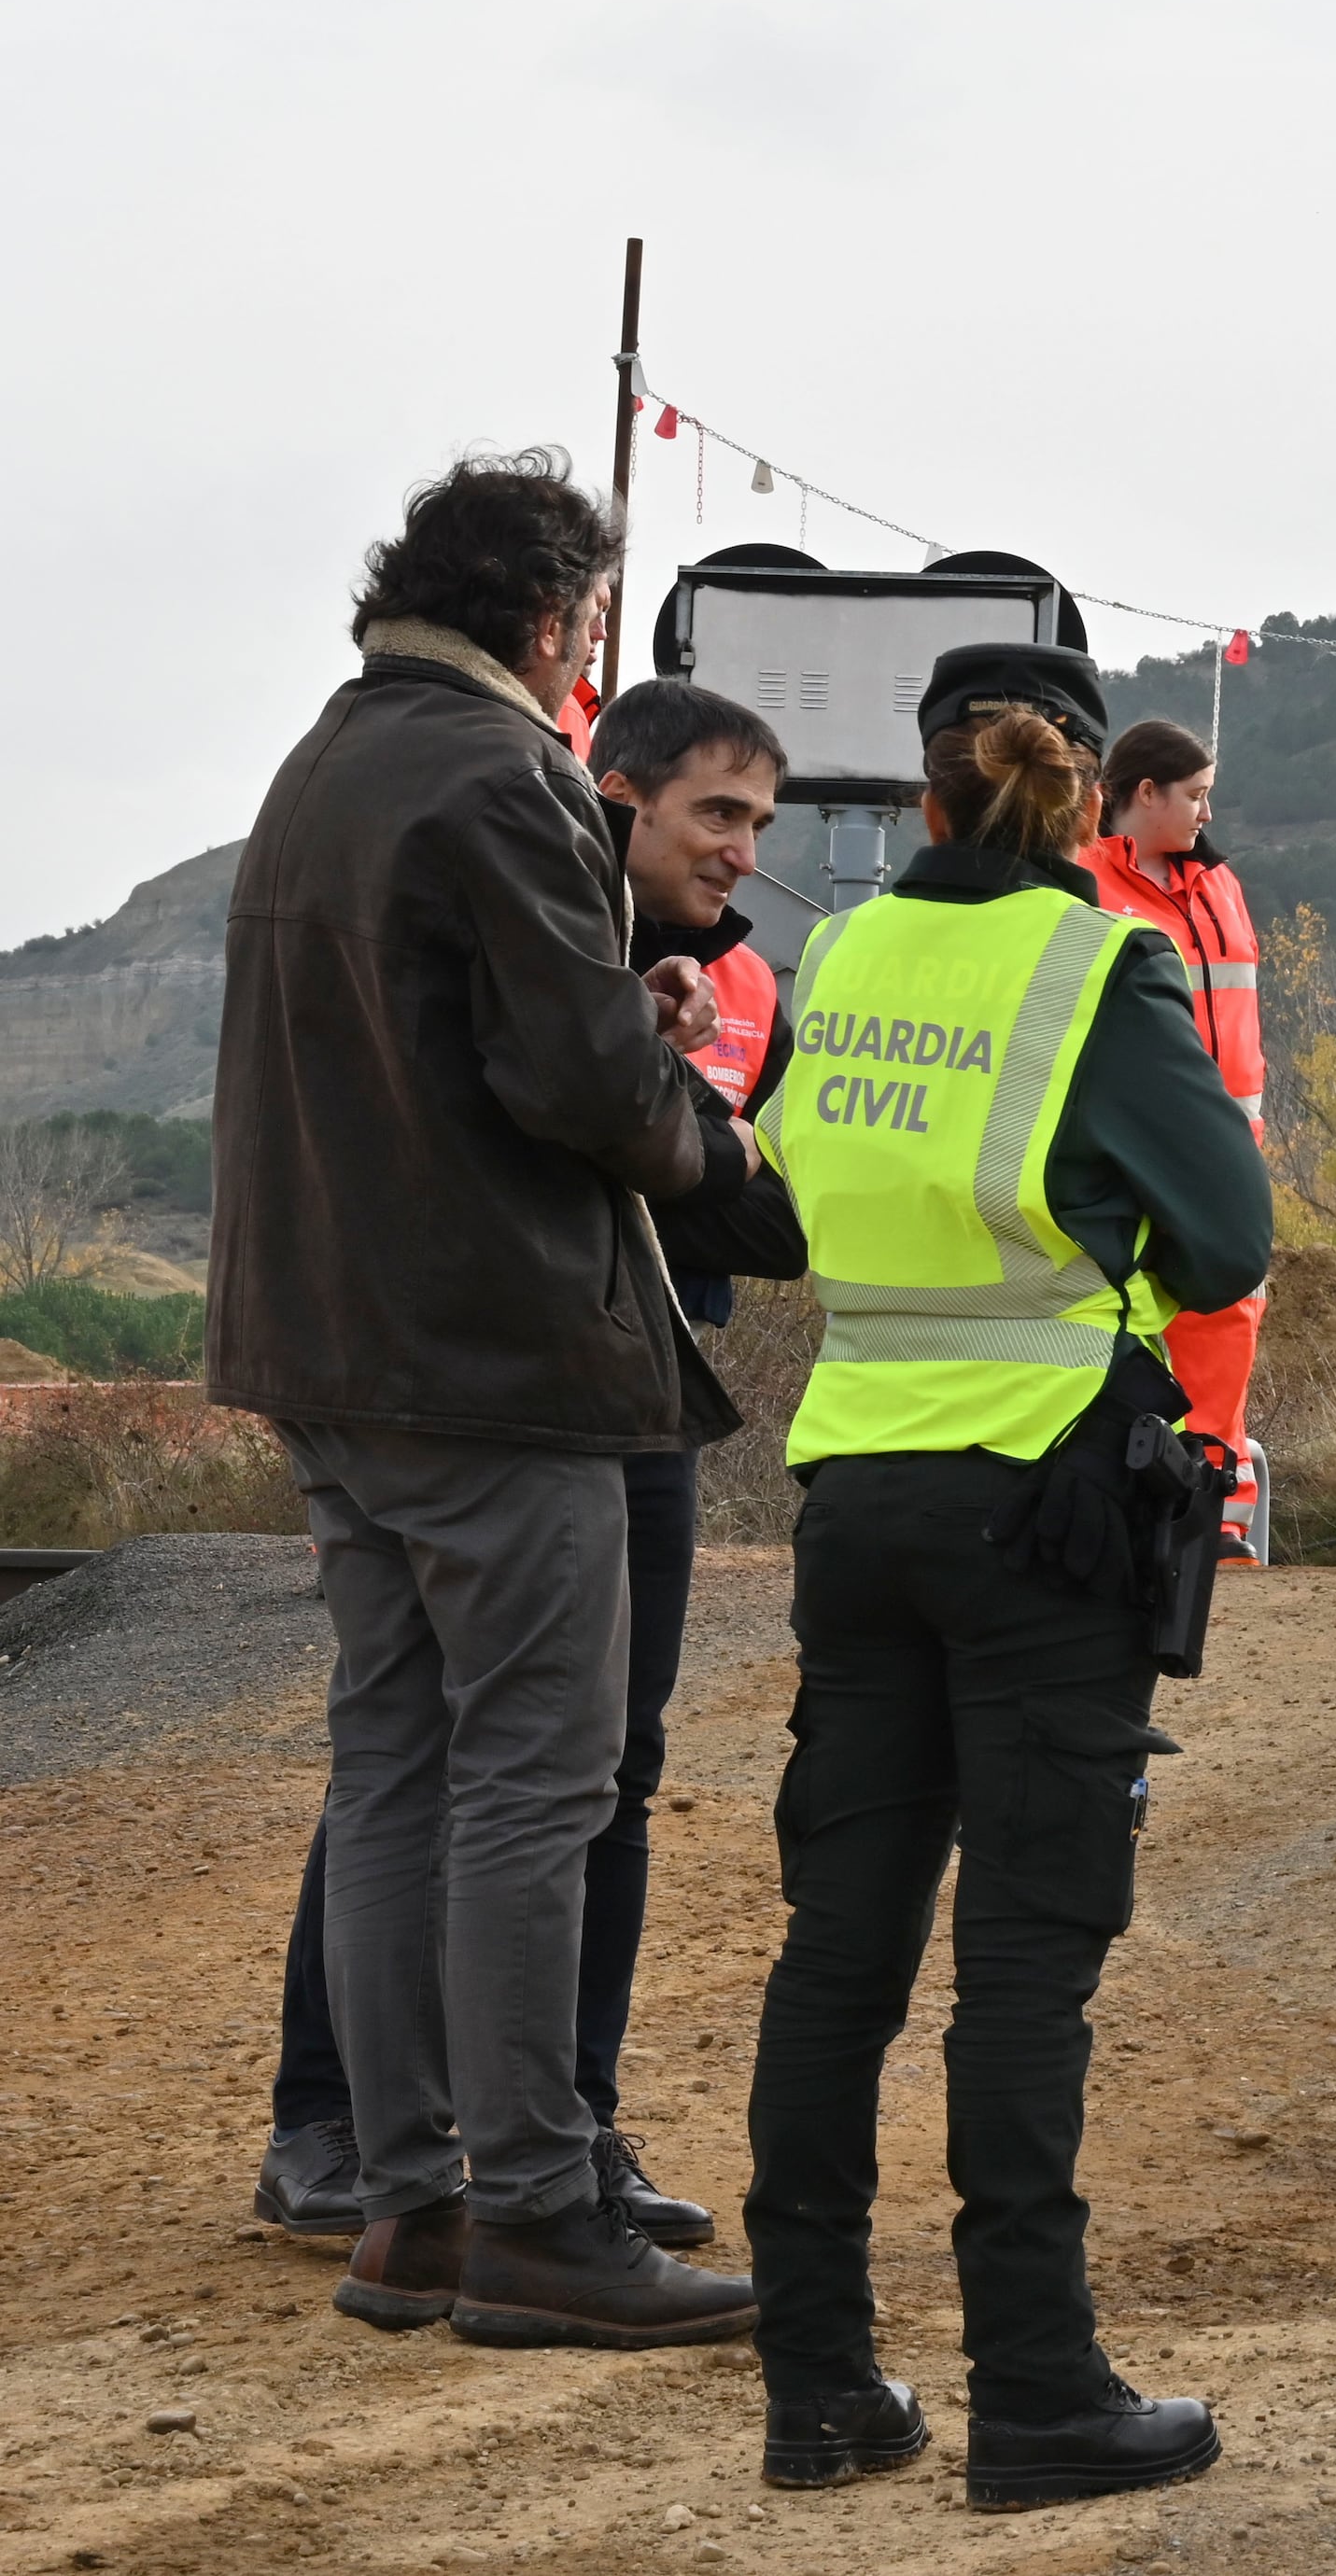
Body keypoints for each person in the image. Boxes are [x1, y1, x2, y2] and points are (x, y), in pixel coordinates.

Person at [209, 450, 763, 2352]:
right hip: (501, 1360)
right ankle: (534, 2209)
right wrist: (693, 1115)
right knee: (539, 1781)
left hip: (334, 1352)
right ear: (544, 620)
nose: (588, 660)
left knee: (395, 1773)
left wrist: (616, 1026)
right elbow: (582, 1095)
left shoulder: (321, 766)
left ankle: (406, 2202)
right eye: (592, 627)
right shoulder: (499, 771)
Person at [743, 641, 1271, 2512]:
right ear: (1069, 785)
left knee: (840, 1954)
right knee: (1025, 1967)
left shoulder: (848, 952)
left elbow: (773, 1188)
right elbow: (1229, 1238)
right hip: (1042, 1505)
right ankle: (1036, 2390)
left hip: (854, 1491)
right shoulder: (1098, 961)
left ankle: (818, 2386)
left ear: (925, 792)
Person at [1082, 718, 1272, 1561]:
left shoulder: (1218, 882)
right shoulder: (1081, 882)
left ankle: (1212, 1516)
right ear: (1143, 793)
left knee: (1226, 1316)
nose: (1206, 811)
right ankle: (1122, 1506)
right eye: (1193, 794)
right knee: (1119, 1313)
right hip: (1127, 1143)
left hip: (1225, 1142)